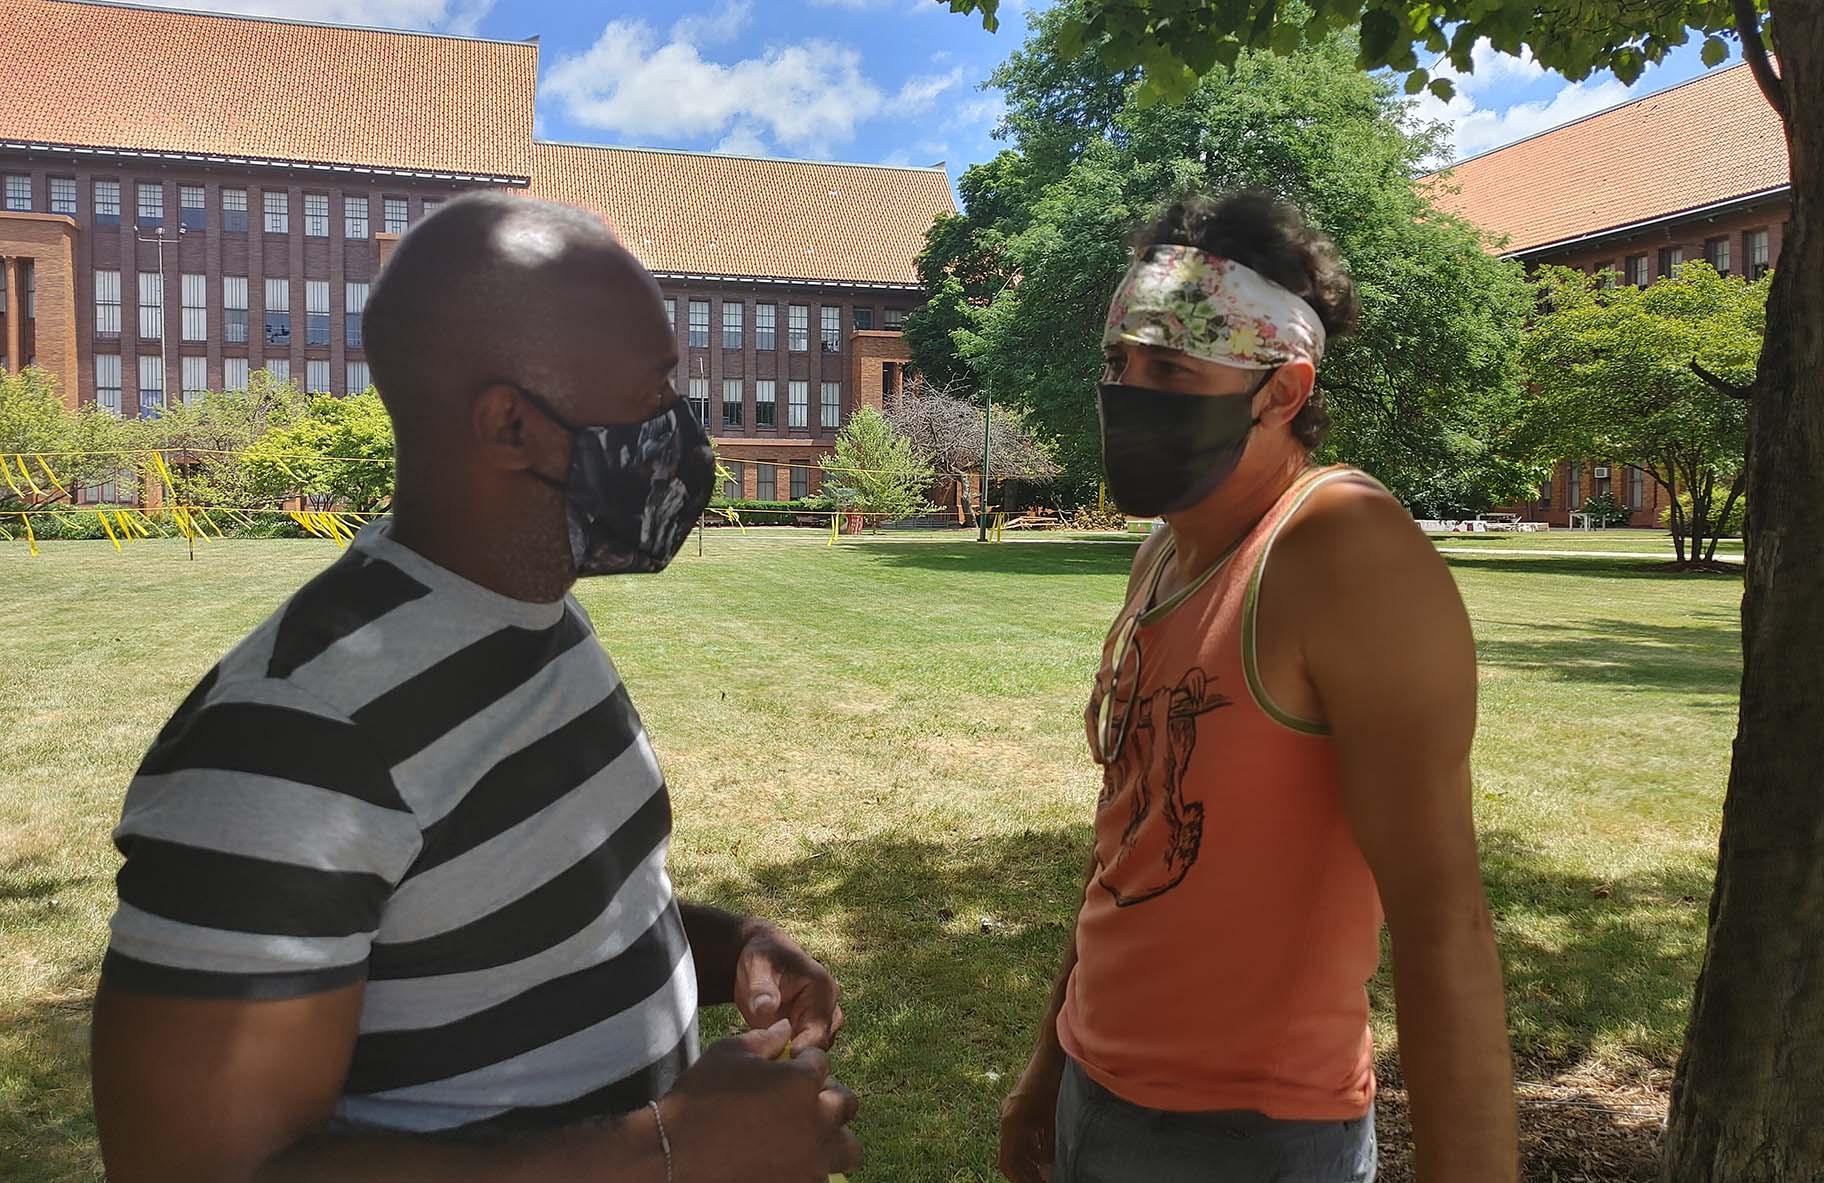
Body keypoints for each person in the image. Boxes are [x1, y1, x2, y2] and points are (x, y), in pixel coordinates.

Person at [91, 192, 861, 1183]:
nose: (682, 427)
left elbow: (557, 917)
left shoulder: (540, 615)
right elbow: (193, 1169)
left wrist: (736, 947)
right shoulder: (287, 738)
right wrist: (671, 1152)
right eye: (656, 388)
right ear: (510, 425)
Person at [996, 191, 1517, 1183]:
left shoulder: (1343, 549)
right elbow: (1129, 842)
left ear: (1282, 390)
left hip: (1257, 1139)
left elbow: (1443, 921)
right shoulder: (1165, 548)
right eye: (1120, 363)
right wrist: (1047, 1068)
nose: (1130, 390)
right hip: (1097, 1093)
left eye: (1171, 368)